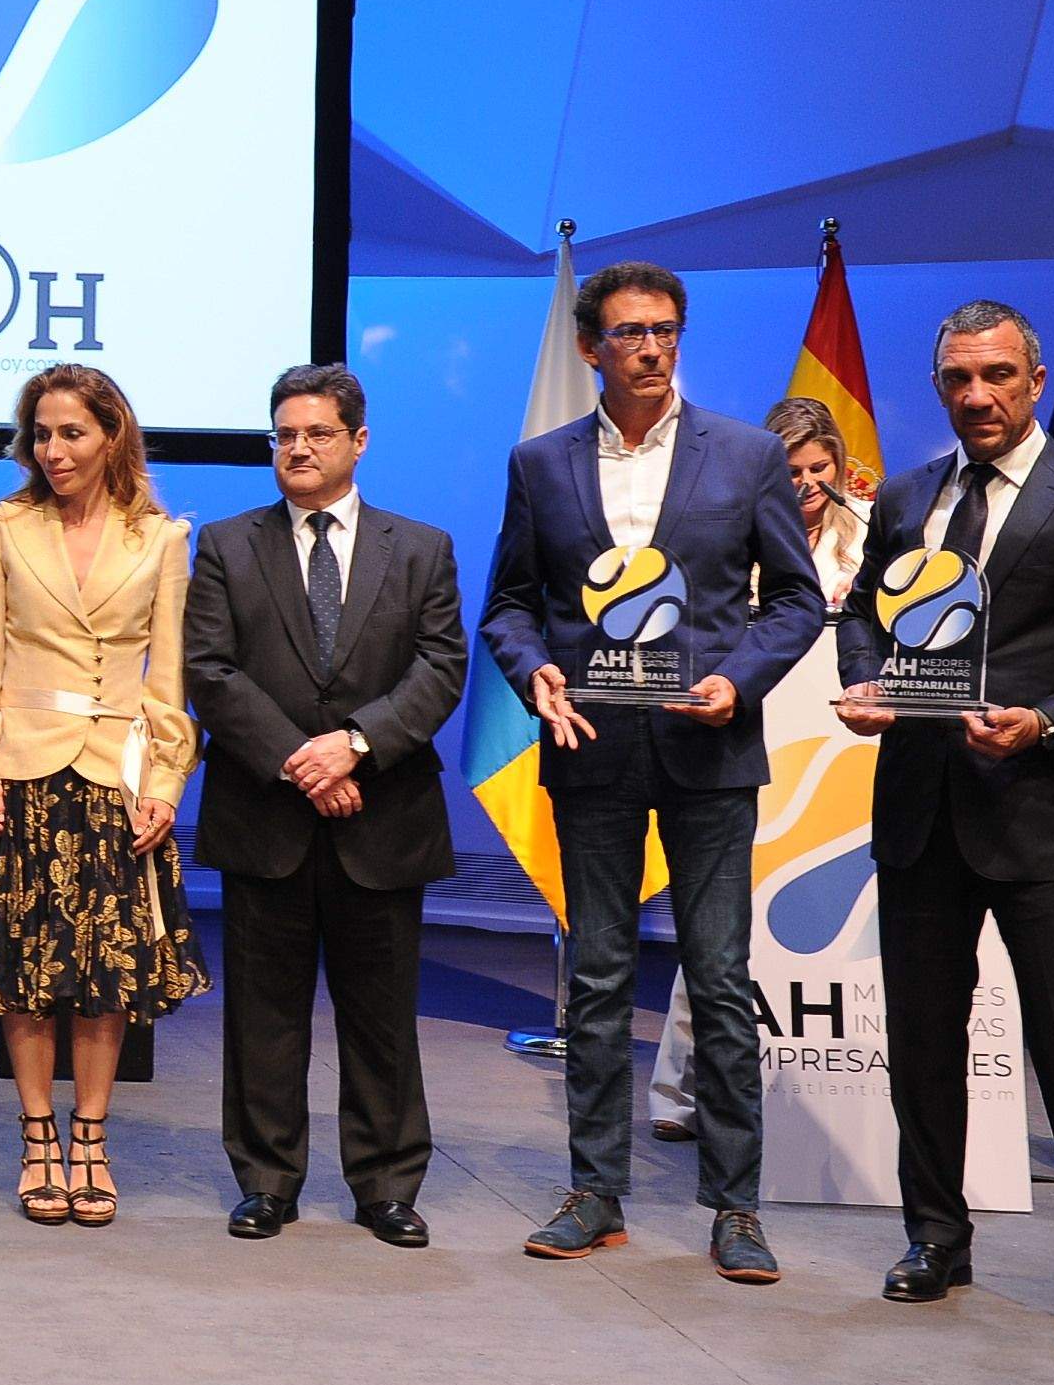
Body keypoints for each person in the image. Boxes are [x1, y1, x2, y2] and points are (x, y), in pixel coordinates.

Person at [838, 300, 1054, 1353]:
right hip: (919, 811)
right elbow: (862, 608)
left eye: (995, 374)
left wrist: (1052, 721)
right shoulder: (906, 493)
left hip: (1043, 813)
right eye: (957, 378)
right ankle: (935, 1236)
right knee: (924, 1048)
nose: (976, 395)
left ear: (1032, 379)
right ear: (938, 383)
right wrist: (866, 677)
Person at [482, 261, 821, 1282]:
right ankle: (595, 1190)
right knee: (593, 975)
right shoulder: (542, 462)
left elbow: (795, 600)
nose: (651, 346)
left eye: (666, 329)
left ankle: (735, 1203)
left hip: (708, 747)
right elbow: (508, 602)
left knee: (718, 977)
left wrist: (738, 680)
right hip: (591, 745)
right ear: (591, 346)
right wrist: (532, 668)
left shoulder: (748, 452)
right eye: (630, 330)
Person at [185, 365, 466, 1248]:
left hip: (381, 816)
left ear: (359, 441)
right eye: (283, 434)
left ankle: (386, 1185)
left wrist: (354, 745)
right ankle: (267, 1181)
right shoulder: (230, 544)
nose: (296, 448)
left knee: (380, 1019)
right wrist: (299, 763)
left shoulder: (420, 547)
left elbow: (441, 668)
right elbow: (210, 671)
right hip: (264, 816)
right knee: (262, 1018)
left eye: (314, 433)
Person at [0, 364, 208, 1227]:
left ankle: (89, 1139)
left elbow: (168, 673)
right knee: (23, 972)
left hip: (118, 778)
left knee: (106, 973)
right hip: (19, 774)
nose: (54, 451)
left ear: (111, 437)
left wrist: (166, 780)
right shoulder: (2, 524)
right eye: (42, 435)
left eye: (72, 433)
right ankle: (35, 1137)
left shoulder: (162, 538)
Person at [650, 394, 868, 1142]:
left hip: (839, 765)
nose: (807, 484)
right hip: (738, 743)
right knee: (717, 931)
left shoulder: (864, 547)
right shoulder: (729, 531)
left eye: (820, 469)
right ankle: (682, 1092)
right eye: (793, 470)